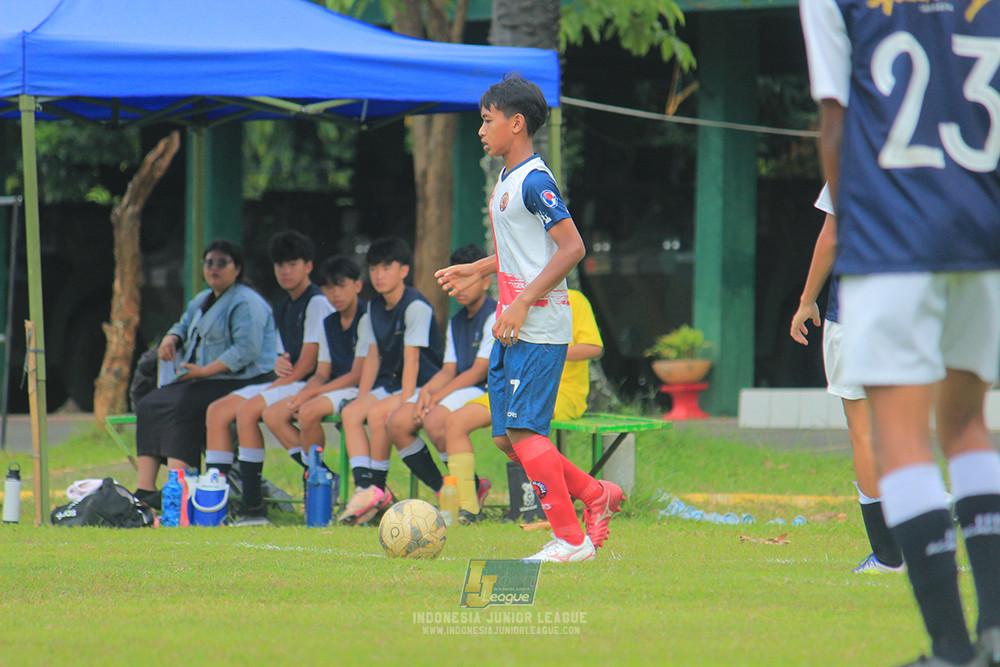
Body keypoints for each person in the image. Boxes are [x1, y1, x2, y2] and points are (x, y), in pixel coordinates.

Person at [801, 2, 1000, 665]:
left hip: (892, 231)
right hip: (982, 220)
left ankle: (950, 646)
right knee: (970, 424)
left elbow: (835, 121)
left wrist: (862, 238)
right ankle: (994, 634)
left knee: (901, 434)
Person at [435, 74, 622, 563]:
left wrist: (521, 302)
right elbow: (518, 250)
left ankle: (571, 540)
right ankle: (594, 492)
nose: (481, 129)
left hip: (537, 325)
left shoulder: (536, 181)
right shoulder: (506, 180)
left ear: (516, 124)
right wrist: (477, 269)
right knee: (504, 436)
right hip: (512, 324)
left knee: (523, 433)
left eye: (487, 119)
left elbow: (572, 246)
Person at [789, 184, 903, 575]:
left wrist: (806, 301)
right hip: (913, 307)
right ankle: (933, 533)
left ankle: (889, 556)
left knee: (865, 433)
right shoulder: (936, 147)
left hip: (856, 309)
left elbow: (832, 233)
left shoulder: (852, 150)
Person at [132, 240, 276, 509]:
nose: (214, 268)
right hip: (205, 378)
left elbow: (247, 350)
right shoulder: (202, 298)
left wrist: (205, 371)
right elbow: (183, 325)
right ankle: (145, 490)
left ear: (237, 268)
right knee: (152, 403)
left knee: (184, 404)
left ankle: (179, 486)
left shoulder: (247, 301)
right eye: (209, 262)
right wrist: (171, 337)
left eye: (222, 263)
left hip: (246, 379)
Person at [204, 230, 333, 525]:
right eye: (280, 265)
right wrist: (278, 366)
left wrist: (280, 381)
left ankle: (253, 508)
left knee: (248, 411)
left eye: (292, 264)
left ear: (308, 266)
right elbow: (283, 358)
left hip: (312, 382)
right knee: (217, 411)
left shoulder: (316, 303)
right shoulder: (283, 304)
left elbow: (309, 363)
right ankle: (216, 503)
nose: (285, 272)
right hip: (290, 380)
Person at [445, 288, 603, 524]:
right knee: (456, 422)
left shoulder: (572, 299)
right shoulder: (514, 297)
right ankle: (467, 511)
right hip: (515, 386)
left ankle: (570, 503)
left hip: (560, 391)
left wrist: (545, 354)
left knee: (519, 431)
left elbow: (594, 347)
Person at [385, 243, 497, 523]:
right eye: (454, 281)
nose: (458, 288)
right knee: (398, 422)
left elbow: (478, 371)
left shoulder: (496, 313)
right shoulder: (457, 320)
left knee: (435, 420)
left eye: (465, 279)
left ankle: (468, 501)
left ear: (486, 279)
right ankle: (445, 492)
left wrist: (435, 398)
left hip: (485, 389)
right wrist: (427, 393)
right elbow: (448, 370)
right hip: (460, 386)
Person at [337, 237, 443, 526]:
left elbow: (413, 359)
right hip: (394, 382)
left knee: (379, 413)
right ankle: (365, 488)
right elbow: (372, 358)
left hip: (425, 383)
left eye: (386, 267)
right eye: (373, 268)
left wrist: (406, 400)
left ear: (403, 271)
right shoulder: (372, 308)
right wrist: (361, 395)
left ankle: (378, 489)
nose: (379, 275)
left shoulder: (416, 306)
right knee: (351, 411)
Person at [261, 256, 368, 487]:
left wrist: (309, 396)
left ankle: (321, 482)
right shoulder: (328, 322)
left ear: (357, 286)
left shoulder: (366, 318)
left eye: (342, 286)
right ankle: (323, 475)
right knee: (274, 414)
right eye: (329, 287)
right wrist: (302, 394)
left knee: (308, 411)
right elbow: (321, 373)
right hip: (334, 388)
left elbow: (356, 375)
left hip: (364, 388)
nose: (335, 294)